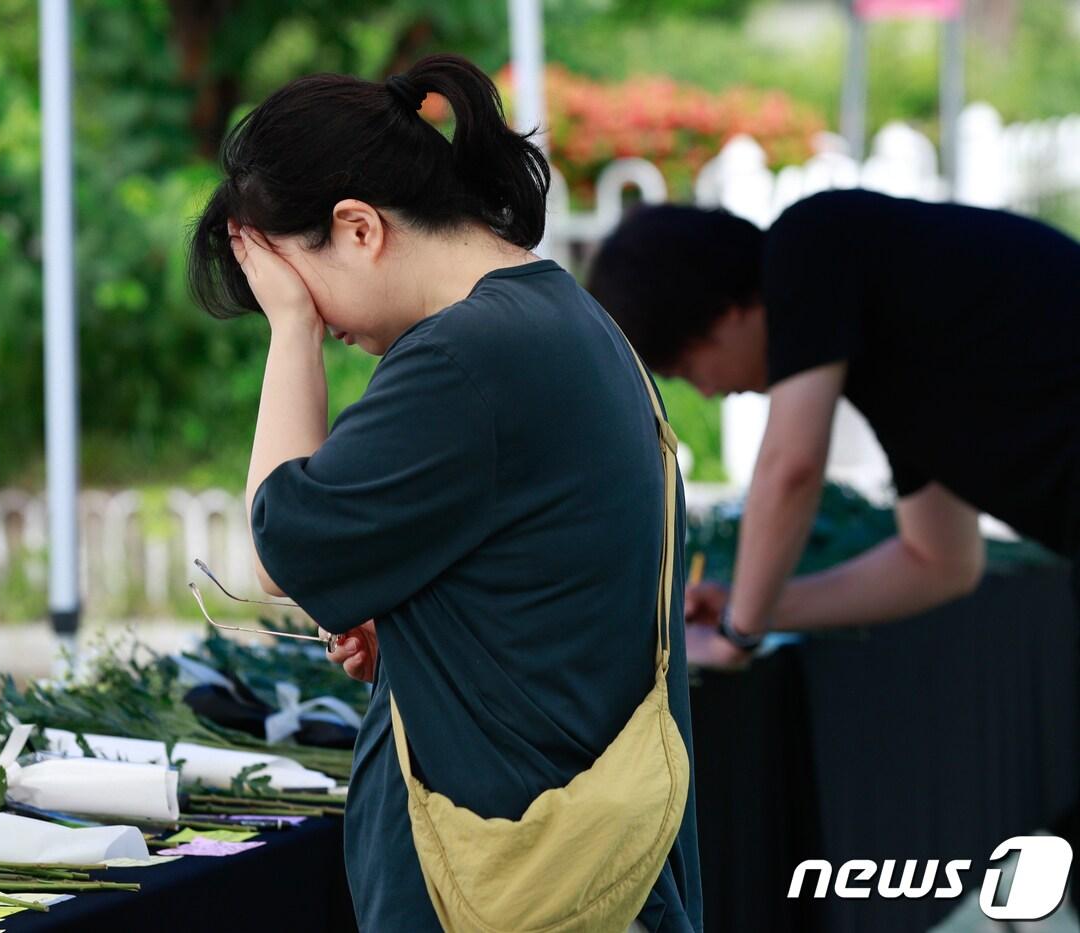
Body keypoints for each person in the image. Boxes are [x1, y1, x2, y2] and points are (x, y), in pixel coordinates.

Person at [187, 55, 702, 933]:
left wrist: (292, 336)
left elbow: (289, 546)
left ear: (358, 229)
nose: (318, 317)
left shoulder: (464, 357)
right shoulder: (562, 318)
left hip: (515, 887)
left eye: (291, 282)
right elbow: (545, 580)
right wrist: (422, 632)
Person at [586, 189, 1080, 663]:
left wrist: (740, 632)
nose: (708, 392)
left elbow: (792, 466)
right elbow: (940, 563)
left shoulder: (812, 242)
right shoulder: (903, 366)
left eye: (688, 371)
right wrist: (746, 607)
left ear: (724, 312)